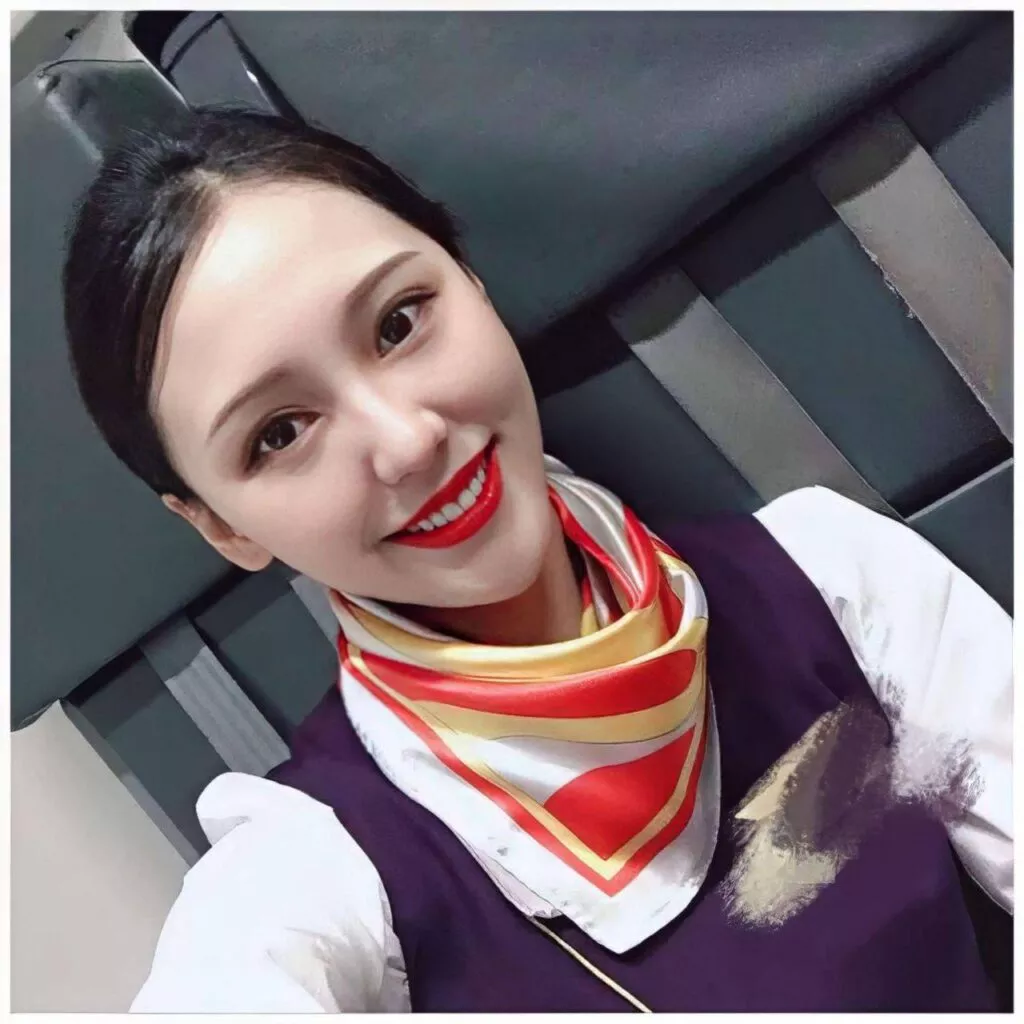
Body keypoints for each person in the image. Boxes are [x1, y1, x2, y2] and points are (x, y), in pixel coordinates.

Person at [63, 107, 1011, 1013]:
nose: (406, 442)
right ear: (222, 527)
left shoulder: (828, 577)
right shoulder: (318, 865)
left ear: (472, 282)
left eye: (399, 323)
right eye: (280, 433)